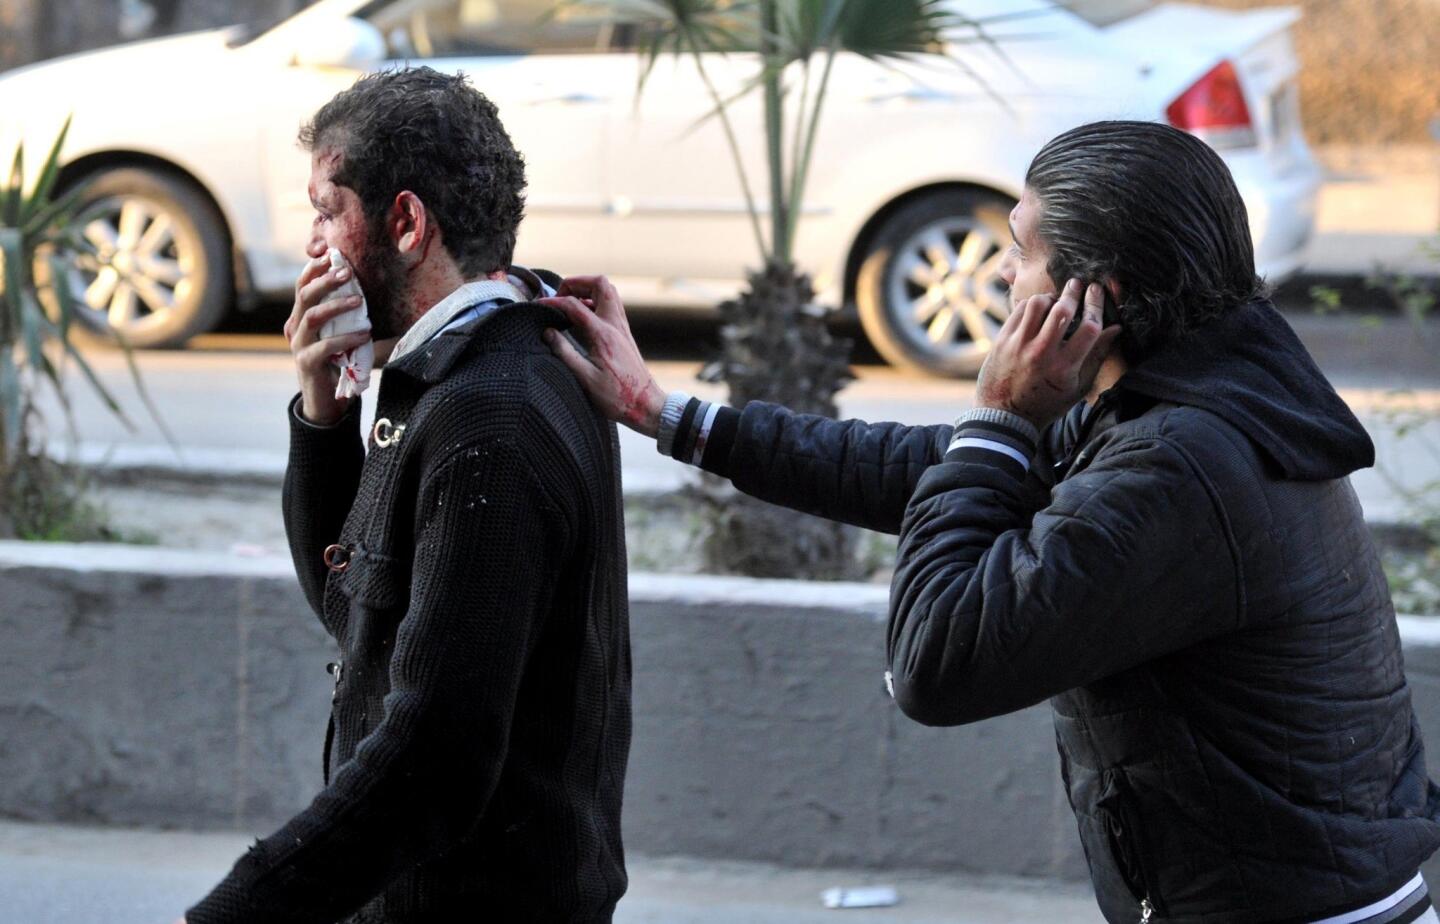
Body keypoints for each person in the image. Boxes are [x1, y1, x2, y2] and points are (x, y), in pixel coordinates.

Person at [542, 120, 1440, 923]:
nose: (1003, 271)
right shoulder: (1196, 390)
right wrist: (670, 416)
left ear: (1096, 297)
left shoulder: (1182, 465)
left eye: (1021, 249)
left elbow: (935, 665)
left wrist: (1001, 417)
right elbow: (942, 473)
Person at [181, 67, 631, 923]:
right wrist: (323, 412)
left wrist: (231, 915)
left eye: (326, 211)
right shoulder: (481, 363)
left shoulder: (487, 420)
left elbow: (435, 754)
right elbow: (361, 617)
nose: (314, 246)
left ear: (407, 223)